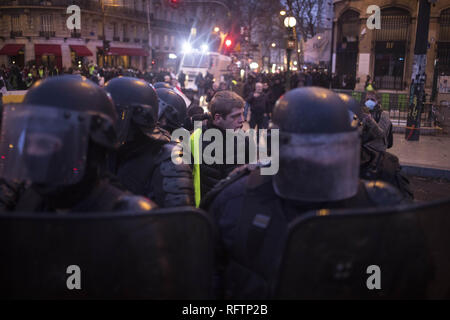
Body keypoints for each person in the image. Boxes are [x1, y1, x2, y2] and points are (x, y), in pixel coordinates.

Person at [201, 87, 406, 299]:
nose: (319, 162)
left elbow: (403, 280)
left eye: (330, 150)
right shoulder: (234, 201)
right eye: (306, 152)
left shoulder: (379, 206)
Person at [0, 75, 157, 213]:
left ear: (91, 147)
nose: (31, 152)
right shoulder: (23, 203)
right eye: (27, 143)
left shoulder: (130, 218)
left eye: (44, 143)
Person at [104, 77, 194, 208]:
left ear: (138, 115)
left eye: (117, 114)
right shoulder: (104, 150)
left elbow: (178, 221)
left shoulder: (170, 158)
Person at [338, 93, 413, 200]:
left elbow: (381, 133)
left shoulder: (383, 115)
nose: (369, 101)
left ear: (378, 101)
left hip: (377, 150)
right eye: (367, 99)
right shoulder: (363, 112)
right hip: (365, 148)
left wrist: (370, 120)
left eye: (372, 99)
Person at [190, 90, 246, 207]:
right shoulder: (202, 141)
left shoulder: (238, 136)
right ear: (218, 118)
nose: (242, 120)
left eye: (242, 114)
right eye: (236, 116)